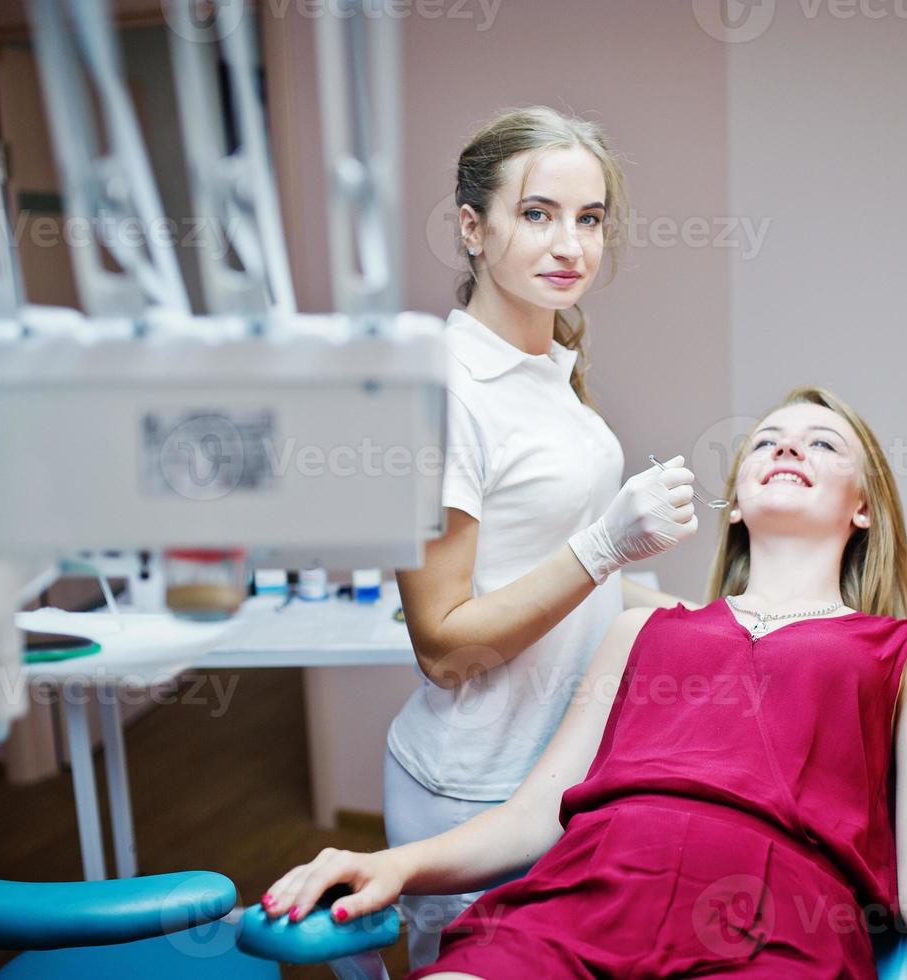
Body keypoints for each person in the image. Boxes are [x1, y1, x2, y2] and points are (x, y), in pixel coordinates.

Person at [264, 386, 907, 979]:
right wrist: (392, 865)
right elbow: (536, 816)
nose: (787, 449)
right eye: (766, 441)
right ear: (734, 504)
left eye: (821, 445)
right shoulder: (643, 630)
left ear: (865, 507)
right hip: (582, 894)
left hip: (776, 924)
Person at [379, 106, 700, 968]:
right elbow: (443, 646)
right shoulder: (440, 390)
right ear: (471, 228)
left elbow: (542, 573)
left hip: (563, 774)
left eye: (589, 220)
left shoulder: (547, 369)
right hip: (474, 786)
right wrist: (605, 546)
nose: (570, 245)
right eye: (537, 214)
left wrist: (695, 618)